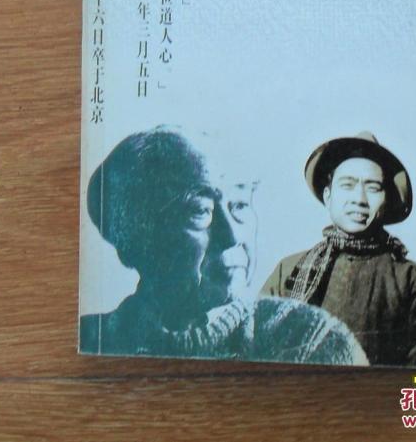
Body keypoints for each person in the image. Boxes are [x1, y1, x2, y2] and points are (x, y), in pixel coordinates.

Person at [80, 126, 367, 366]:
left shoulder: (312, 340)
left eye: (240, 205)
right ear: (136, 241)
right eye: (200, 210)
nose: (232, 236)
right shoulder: (94, 339)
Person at [261, 131, 416, 368]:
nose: (359, 199)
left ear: (386, 199)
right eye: (347, 185)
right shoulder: (289, 271)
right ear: (328, 196)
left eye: (373, 188)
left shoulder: (410, 279)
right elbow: (256, 350)